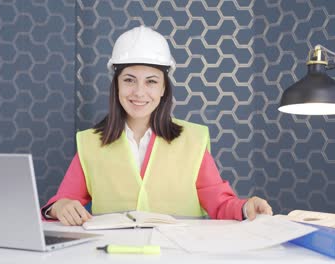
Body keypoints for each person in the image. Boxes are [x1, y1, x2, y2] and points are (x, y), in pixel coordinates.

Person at [42, 25, 272, 226]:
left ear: (163, 89)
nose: (139, 92)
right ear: (117, 86)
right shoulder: (90, 142)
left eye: (151, 81)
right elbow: (61, 202)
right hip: (114, 255)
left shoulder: (193, 140)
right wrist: (60, 207)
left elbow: (220, 203)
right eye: (129, 80)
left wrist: (245, 207)